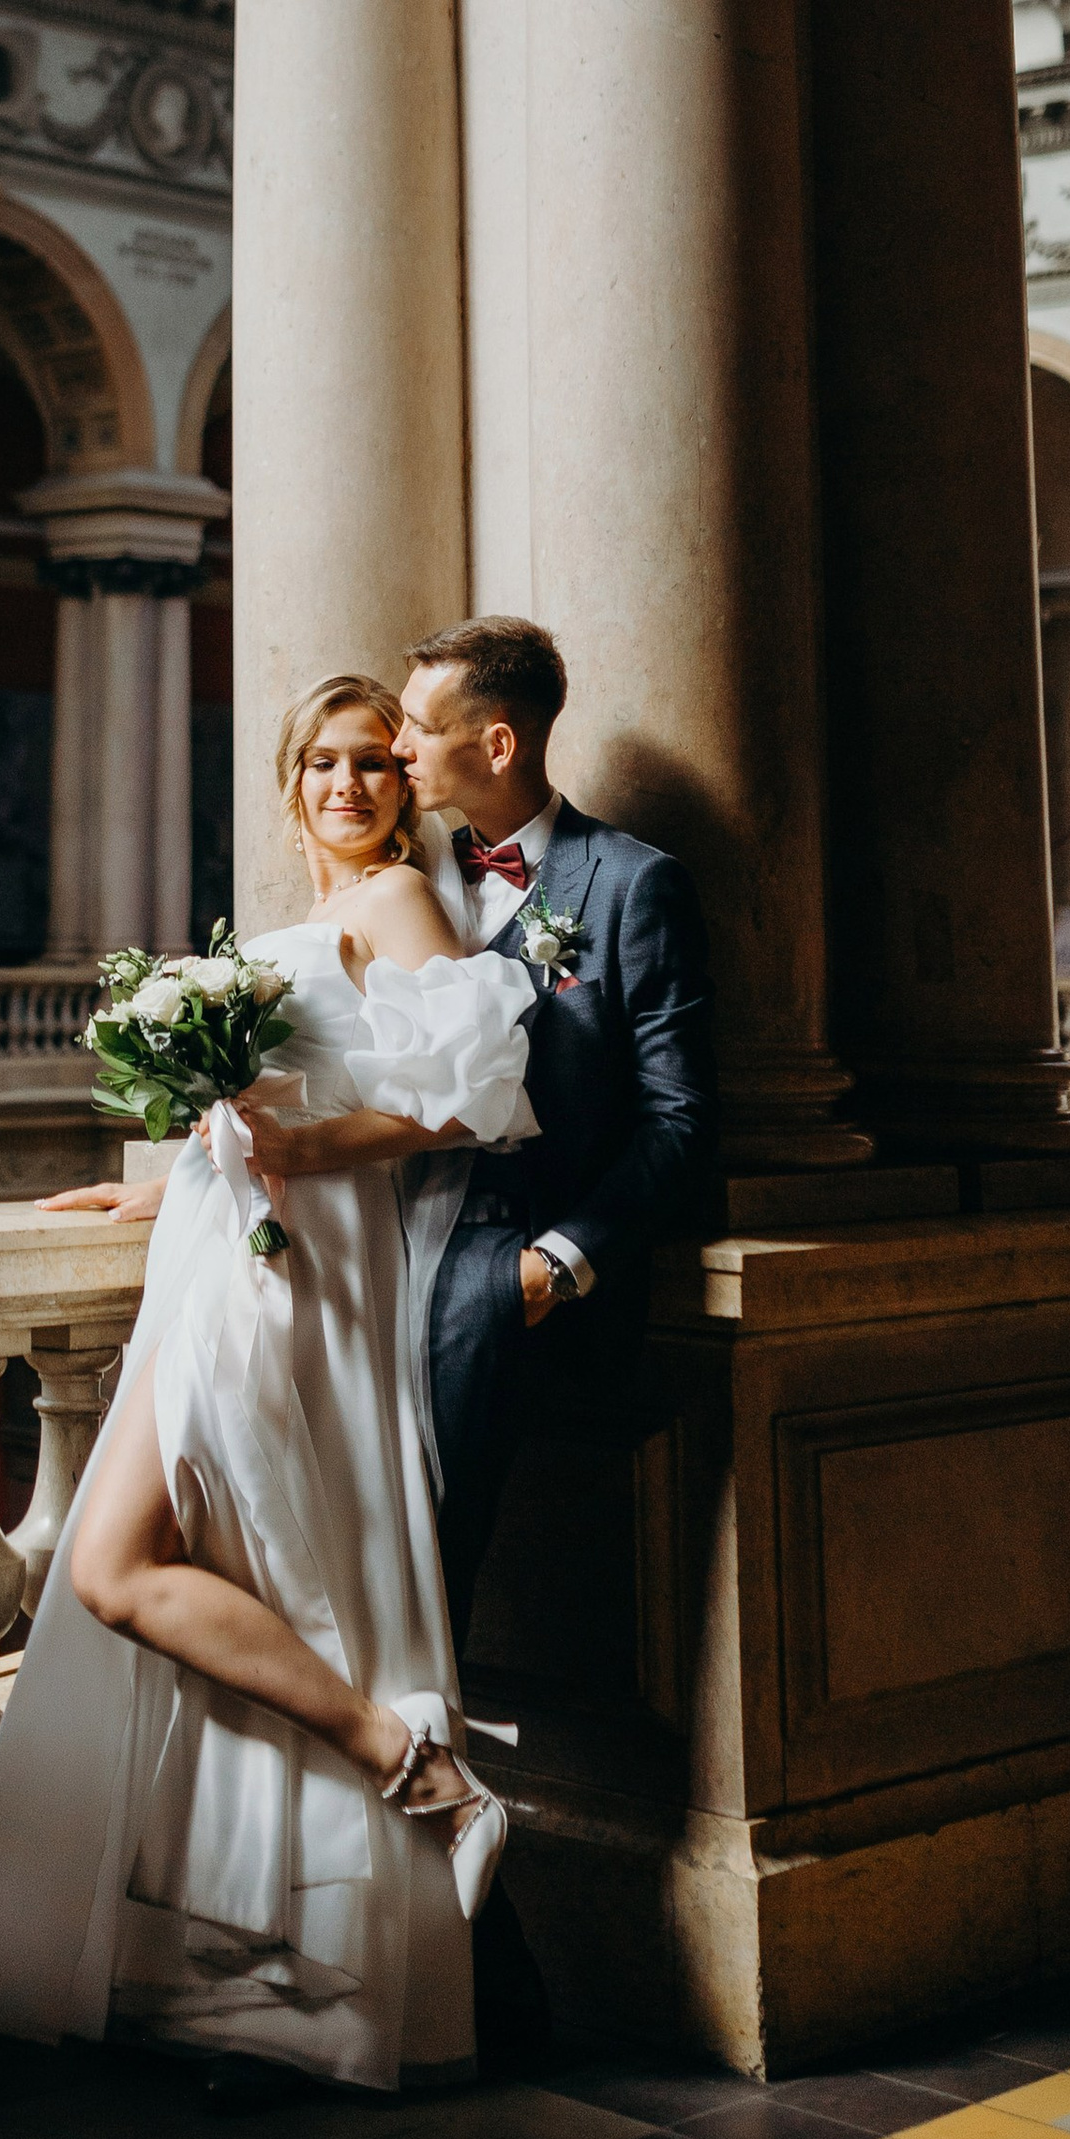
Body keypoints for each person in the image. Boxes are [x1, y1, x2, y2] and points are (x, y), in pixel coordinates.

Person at [0, 677, 541, 2095]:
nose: (349, 783)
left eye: (376, 760)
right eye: (322, 760)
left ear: (405, 783)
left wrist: (311, 1156)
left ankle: (421, 1772)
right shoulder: (283, 926)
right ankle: (296, 1930)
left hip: (296, 1271)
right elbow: (241, 1109)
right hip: (218, 1250)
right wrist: (155, 1191)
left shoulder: (392, 902)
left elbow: (471, 1098)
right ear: (287, 779)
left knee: (120, 1564)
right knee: (217, 1564)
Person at [390, 612, 719, 2054]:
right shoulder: (394, 882)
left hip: (496, 1292)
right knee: (353, 1603)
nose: (397, 750)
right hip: (367, 1273)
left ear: (497, 740)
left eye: (419, 726)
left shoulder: (630, 885)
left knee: (412, 1614)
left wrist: (560, 1263)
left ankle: (456, 1978)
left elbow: (678, 1122)